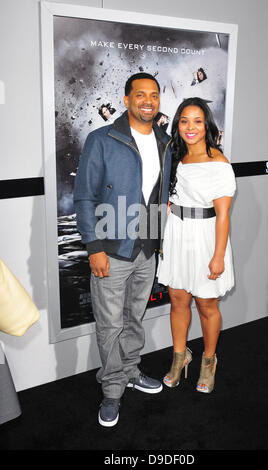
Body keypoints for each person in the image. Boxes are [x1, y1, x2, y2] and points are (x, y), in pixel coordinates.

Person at [73, 73, 172, 427]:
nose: (148, 100)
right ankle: (112, 390)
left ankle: (130, 370)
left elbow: (159, 192)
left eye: (154, 95)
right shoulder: (102, 139)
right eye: (141, 95)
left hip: (147, 248)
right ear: (127, 99)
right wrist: (94, 247)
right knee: (109, 325)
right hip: (111, 250)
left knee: (134, 318)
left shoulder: (165, 141)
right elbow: (84, 196)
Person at [157, 97, 236, 393]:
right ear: (178, 124)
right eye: (184, 121)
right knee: (178, 300)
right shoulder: (174, 155)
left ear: (207, 125)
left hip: (205, 237)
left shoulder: (218, 162)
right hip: (177, 234)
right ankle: (180, 357)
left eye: (197, 121)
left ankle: (208, 361)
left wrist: (218, 257)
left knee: (206, 304)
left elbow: (223, 215)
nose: (190, 127)